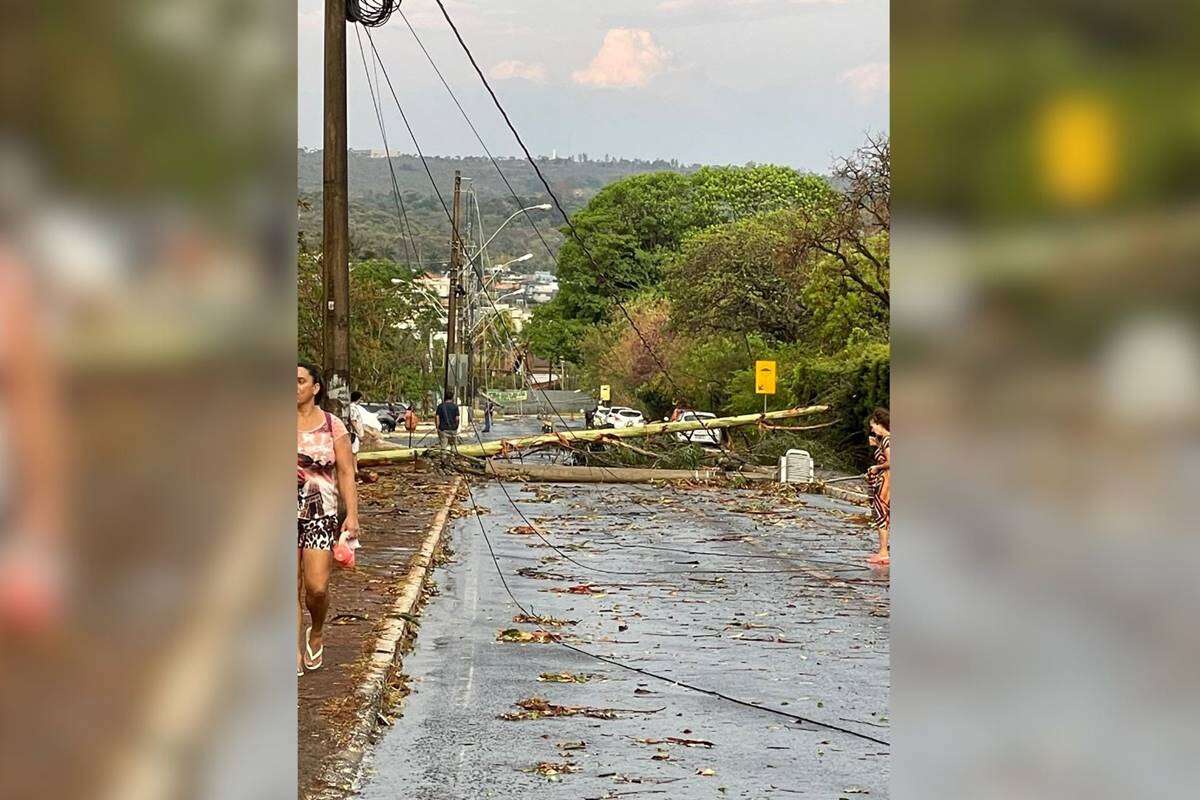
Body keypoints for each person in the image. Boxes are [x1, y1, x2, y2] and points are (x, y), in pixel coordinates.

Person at [297, 363, 360, 676]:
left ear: (315, 387)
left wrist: (353, 515)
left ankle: (317, 630)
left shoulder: (332, 425)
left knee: (316, 588)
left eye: (300, 381)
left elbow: (347, 472)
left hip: (321, 515)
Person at [866, 408, 891, 565]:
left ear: (879, 423)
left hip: (886, 482)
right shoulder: (884, 441)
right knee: (884, 516)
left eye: (873, 426)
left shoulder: (888, 440)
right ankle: (883, 550)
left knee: (881, 516)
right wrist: (876, 444)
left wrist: (876, 468)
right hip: (885, 480)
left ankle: (883, 552)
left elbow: (890, 461)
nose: (872, 429)